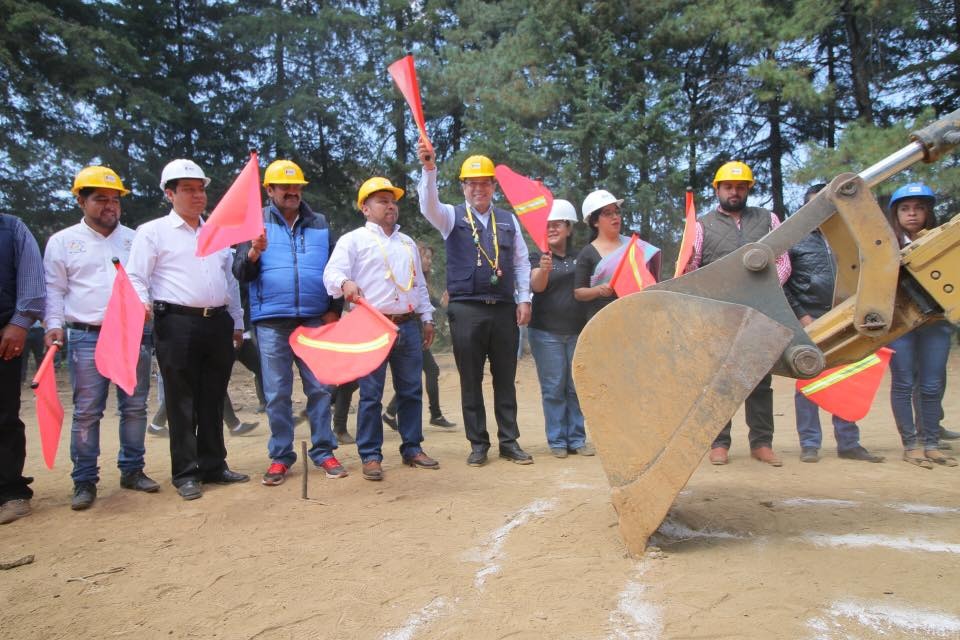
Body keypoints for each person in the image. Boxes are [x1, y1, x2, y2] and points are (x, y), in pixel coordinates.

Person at [127, 158, 249, 500]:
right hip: (176, 322)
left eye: (200, 190)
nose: (198, 196)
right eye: (188, 190)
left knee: (213, 395)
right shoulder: (152, 232)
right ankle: (186, 472)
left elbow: (230, 281)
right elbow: (136, 275)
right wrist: (141, 303)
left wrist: (237, 322)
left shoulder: (217, 232)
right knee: (181, 399)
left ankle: (214, 464)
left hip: (217, 321)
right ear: (170, 194)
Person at [43, 166, 161, 510]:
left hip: (130, 334)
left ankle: (133, 469)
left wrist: (148, 305)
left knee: (135, 407)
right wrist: (53, 325)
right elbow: (54, 290)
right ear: (81, 200)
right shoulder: (63, 242)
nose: (110, 205)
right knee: (87, 411)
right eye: (100, 199)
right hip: (86, 336)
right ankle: (84, 480)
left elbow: (148, 281)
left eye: (114, 200)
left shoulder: (134, 239)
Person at [416, 141, 533, 466]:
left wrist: (524, 298)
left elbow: (522, 263)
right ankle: (478, 444)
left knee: (505, 378)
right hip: (466, 308)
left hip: (504, 308)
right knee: (470, 377)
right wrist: (429, 170)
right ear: (464, 187)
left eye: (484, 182)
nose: (478, 189)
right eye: (472, 183)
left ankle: (509, 442)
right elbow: (428, 205)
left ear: (493, 186)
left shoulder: (508, 220)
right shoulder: (451, 217)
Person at [233, 159, 346, 486]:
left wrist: (333, 309)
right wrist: (254, 251)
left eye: (297, 186)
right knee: (277, 392)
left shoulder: (321, 224)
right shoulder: (254, 224)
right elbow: (240, 273)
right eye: (285, 187)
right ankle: (281, 456)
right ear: (269, 190)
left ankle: (324, 450)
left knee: (321, 388)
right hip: (271, 323)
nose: (292, 192)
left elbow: (335, 269)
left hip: (313, 319)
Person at [324, 177, 438, 480]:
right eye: (382, 201)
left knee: (411, 390)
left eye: (393, 200)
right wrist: (345, 283)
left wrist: (427, 318)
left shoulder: (407, 242)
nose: (390, 205)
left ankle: (412, 447)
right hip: (371, 325)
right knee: (371, 395)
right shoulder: (353, 240)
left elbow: (419, 285)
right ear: (365, 208)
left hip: (407, 325)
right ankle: (371, 455)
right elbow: (331, 274)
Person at [686, 161, 791, 467]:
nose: (734, 192)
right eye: (728, 187)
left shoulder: (768, 219)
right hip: (720, 313)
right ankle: (719, 443)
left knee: (760, 379)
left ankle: (762, 443)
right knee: (720, 381)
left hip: (761, 309)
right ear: (717, 189)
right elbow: (693, 268)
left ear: (748, 189)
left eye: (740, 187)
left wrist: (765, 289)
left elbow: (783, 260)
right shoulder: (701, 225)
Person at [784, 184, 883, 464]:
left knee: (847, 380)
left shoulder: (853, 238)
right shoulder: (796, 241)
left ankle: (849, 442)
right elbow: (784, 285)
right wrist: (802, 315)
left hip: (847, 317)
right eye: (817, 206)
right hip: (810, 319)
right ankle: (810, 443)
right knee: (808, 378)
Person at [885, 183, 956, 468]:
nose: (912, 214)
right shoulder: (886, 246)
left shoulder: (945, 242)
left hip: (937, 323)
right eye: (905, 209)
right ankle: (911, 445)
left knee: (931, 384)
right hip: (901, 324)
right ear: (896, 214)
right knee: (903, 382)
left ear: (928, 212)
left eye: (919, 208)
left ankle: (932, 444)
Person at [529, 199, 592, 458]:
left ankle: (577, 438)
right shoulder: (538, 255)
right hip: (546, 332)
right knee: (554, 386)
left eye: (557, 225)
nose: (552, 229)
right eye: (548, 226)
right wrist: (543, 270)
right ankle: (557, 440)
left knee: (575, 386)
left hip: (578, 331)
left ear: (569, 228)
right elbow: (537, 286)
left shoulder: (581, 256)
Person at [382, 241, 456, 431]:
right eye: (427, 257)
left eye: (431, 257)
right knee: (419, 374)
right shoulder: (407, 276)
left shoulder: (423, 280)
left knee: (419, 373)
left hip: (416, 330)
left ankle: (393, 413)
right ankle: (432, 414)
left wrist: (441, 305)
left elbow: (428, 303)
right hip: (409, 330)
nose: (430, 261)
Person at [0, 212, 45, 524]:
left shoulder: (11, 227)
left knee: (3, 413)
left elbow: (31, 278)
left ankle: (10, 491)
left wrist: (19, 323)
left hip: (4, 334)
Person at [573, 189, 660, 321]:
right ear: (595, 221)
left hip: (637, 316)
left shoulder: (635, 246)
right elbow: (579, 292)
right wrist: (598, 290)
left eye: (616, 212)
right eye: (607, 213)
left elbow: (648, 278)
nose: (615, 217)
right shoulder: (587, 253)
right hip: (603, 320)